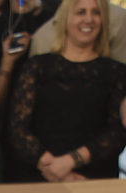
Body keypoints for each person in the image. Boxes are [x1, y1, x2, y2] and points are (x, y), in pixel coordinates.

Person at [8, 0, 126, 179]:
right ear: (66, 18)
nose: (89, 19)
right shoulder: (37, 67)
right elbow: (18, 129)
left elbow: (116, 133)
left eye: (96, 12)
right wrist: (54, 169)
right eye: (80, 12)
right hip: (40, 179)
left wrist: (70, 162)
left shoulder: (116, 73)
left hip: (93, 181)